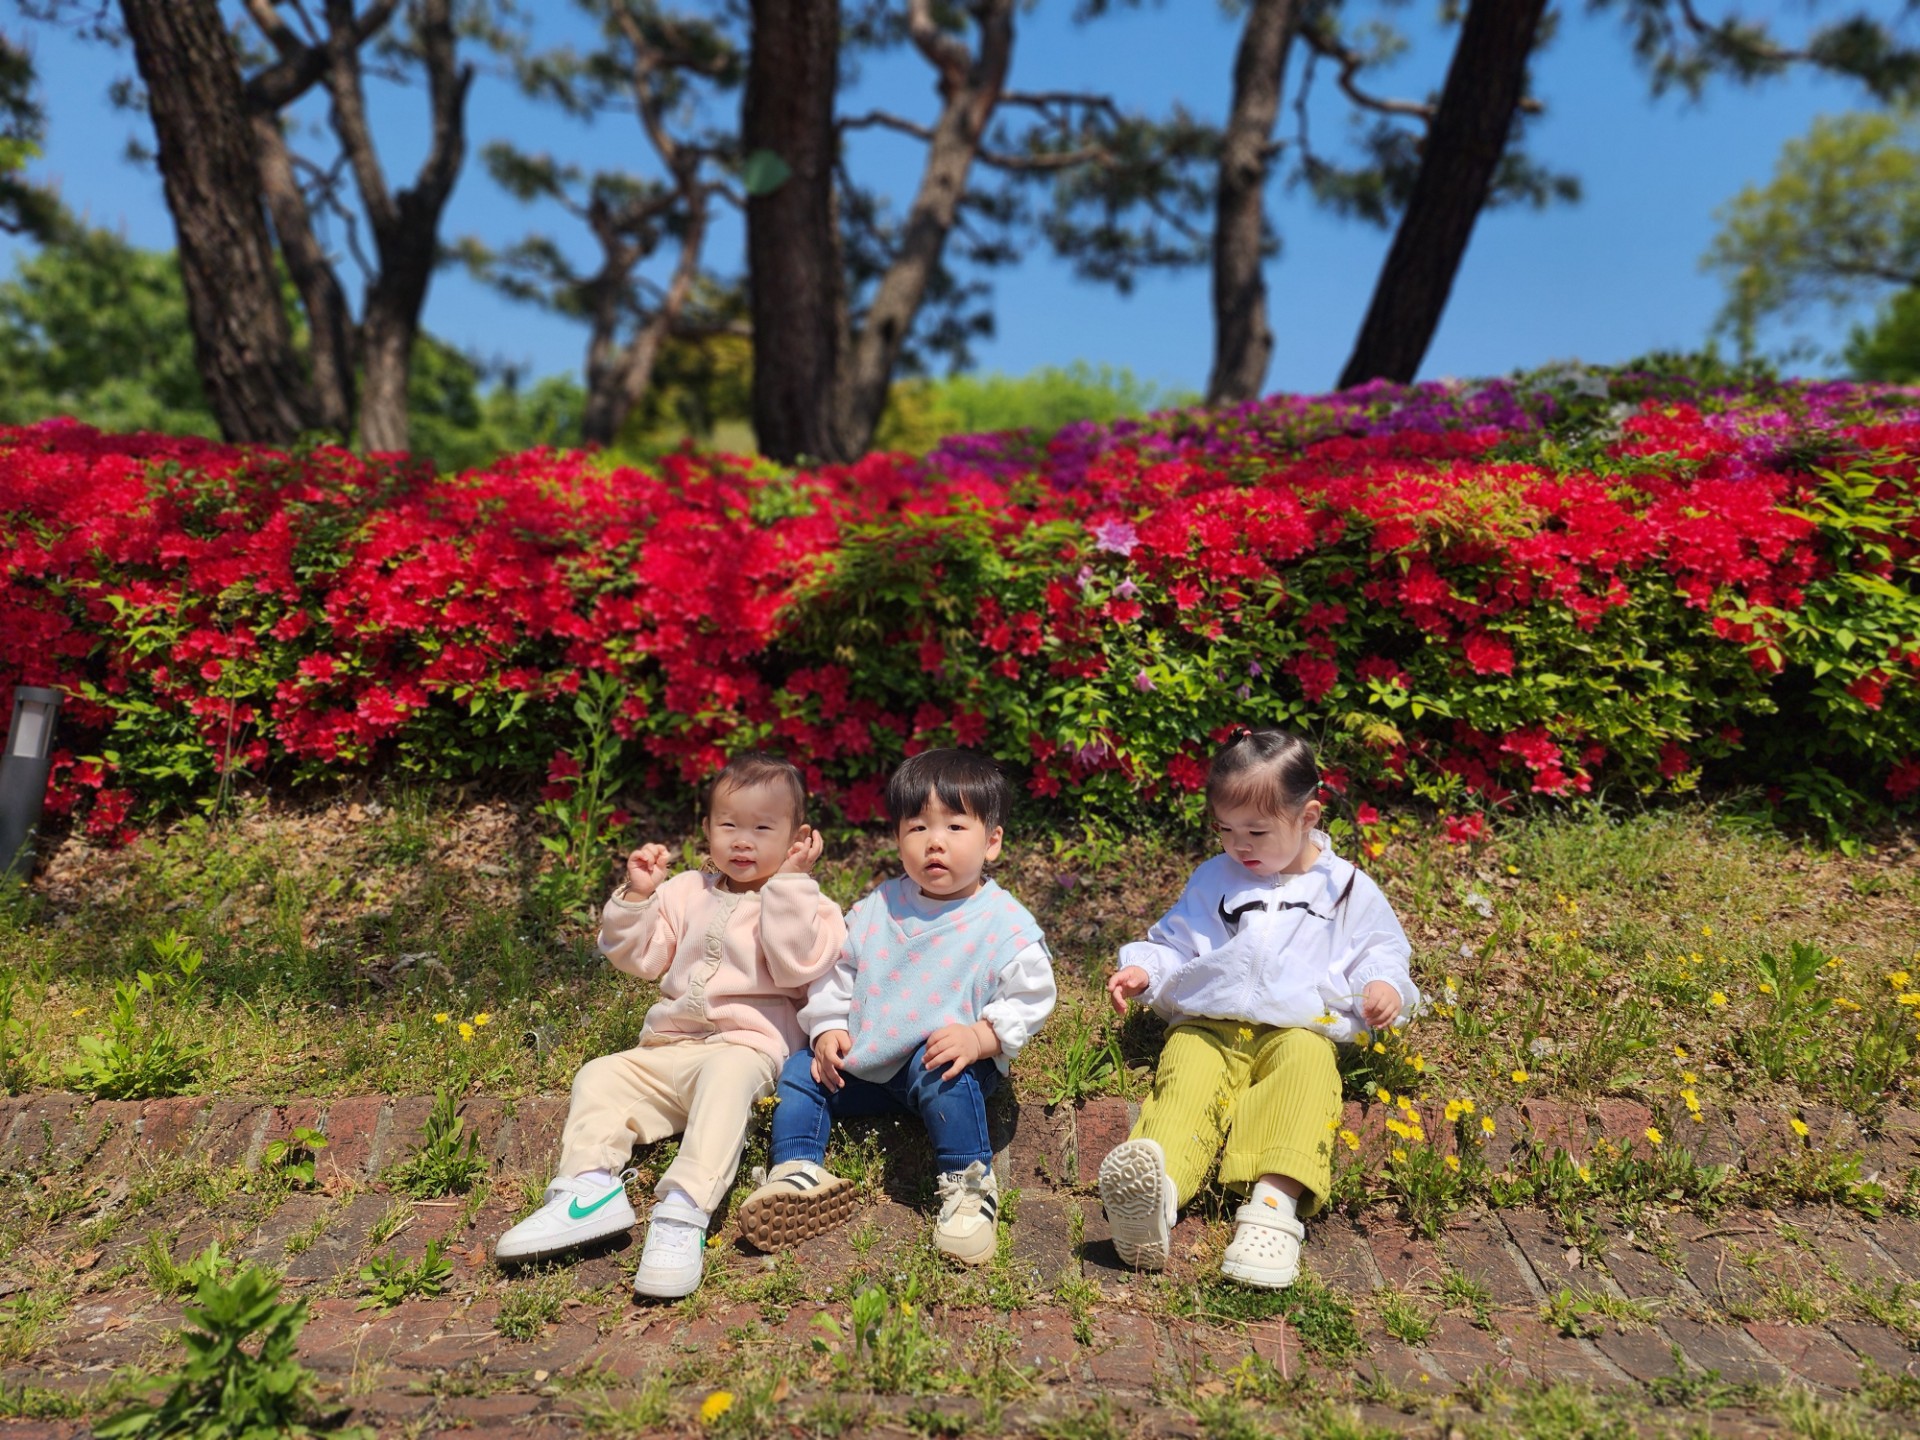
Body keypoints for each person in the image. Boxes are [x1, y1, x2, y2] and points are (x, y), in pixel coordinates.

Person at [494, 753, 846, 1299]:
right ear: (706, 829)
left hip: (745, 1050)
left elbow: (797, 964)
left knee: (727, 1080)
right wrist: (638, 899)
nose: (743, 841)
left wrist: (790, 884)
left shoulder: (809, 903)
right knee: (600, 1076)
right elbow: (643, 957)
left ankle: (683, 1211)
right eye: (728, 825)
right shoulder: (687, 890)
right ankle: (588, 1189)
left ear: (798, 838)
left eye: (762, 829)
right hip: (668, 1047)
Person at [1099, 728, 1417, 1289]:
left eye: (1256, 831)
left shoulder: (1346, 889)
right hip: (1209, 1022)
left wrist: (1382, 985)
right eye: (1225, 829)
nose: (1238, 845)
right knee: (1185, 1081)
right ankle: (1156, 1194)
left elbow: (1381, 949)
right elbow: (1176, 941)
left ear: (1308, 816)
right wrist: (1146, 968)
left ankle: (1272, 1209)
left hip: (1299, 1028)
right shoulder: (1215, 878)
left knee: (1305, 1077)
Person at [737, 749, 1056, 1266]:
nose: (935, 842)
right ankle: (796, 1171)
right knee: (801, 1071)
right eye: (917, 827)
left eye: (955, 826)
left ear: (992, 842)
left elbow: (1033, 995)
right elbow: (839, 970)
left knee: (946, 1076)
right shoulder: (879, 907)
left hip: (944, 1064)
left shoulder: (1004, 923)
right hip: (868, 1060)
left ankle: (969, 1188)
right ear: (898, 838)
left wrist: (982, 1036)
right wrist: (828, 1027)